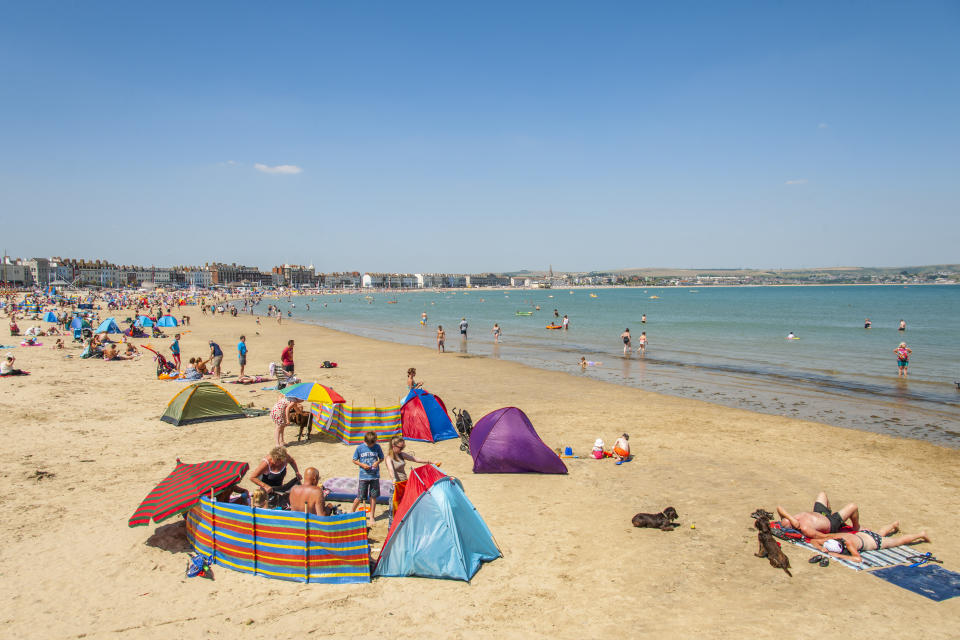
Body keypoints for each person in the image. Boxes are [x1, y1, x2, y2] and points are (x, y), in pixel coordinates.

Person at [384, 435, 440, 516]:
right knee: (395, 510)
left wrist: (430, 462)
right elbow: (391, 470)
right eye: (401, 447)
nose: (402, 449)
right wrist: (393, 479)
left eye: (403, 447)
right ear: (393, 446)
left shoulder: (401, 454)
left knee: (407, 506)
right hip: (396, 485)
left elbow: (415, 459)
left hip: (405, 483)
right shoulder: (389, 458)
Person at [810, 525, 930, 563]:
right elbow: (814, 541)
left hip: (874, 542)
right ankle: (893, 524)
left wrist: (839, 556)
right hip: (864, 535)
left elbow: (858, 559)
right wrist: (821, 547)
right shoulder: (836, 537)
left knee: (899, 541)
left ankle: (921, 534)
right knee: (880, 533)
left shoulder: (848, 543)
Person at [776, 491, 860, 537]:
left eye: (791, 518)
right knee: (853, 506)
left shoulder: (793, 519)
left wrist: (791, 519)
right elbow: (824, 537)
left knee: (822, 494)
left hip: (819, 513)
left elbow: (779, 508)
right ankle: (856, 527)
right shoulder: (805, 529)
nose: (794, 518)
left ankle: (832, 514)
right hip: (832, 523)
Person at [352, 431, 384, 527]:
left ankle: (372, 516)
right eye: (369, 444)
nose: (371, 446)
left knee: (373, 496)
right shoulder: (360, 448)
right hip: (363, 476)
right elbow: (354, 460)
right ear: (365, 441)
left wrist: (377, 463)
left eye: (372, 444)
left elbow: (381, 458)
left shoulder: (377, 447)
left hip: (374, 476)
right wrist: (362, 465)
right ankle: (352, 511)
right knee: (360, 496)